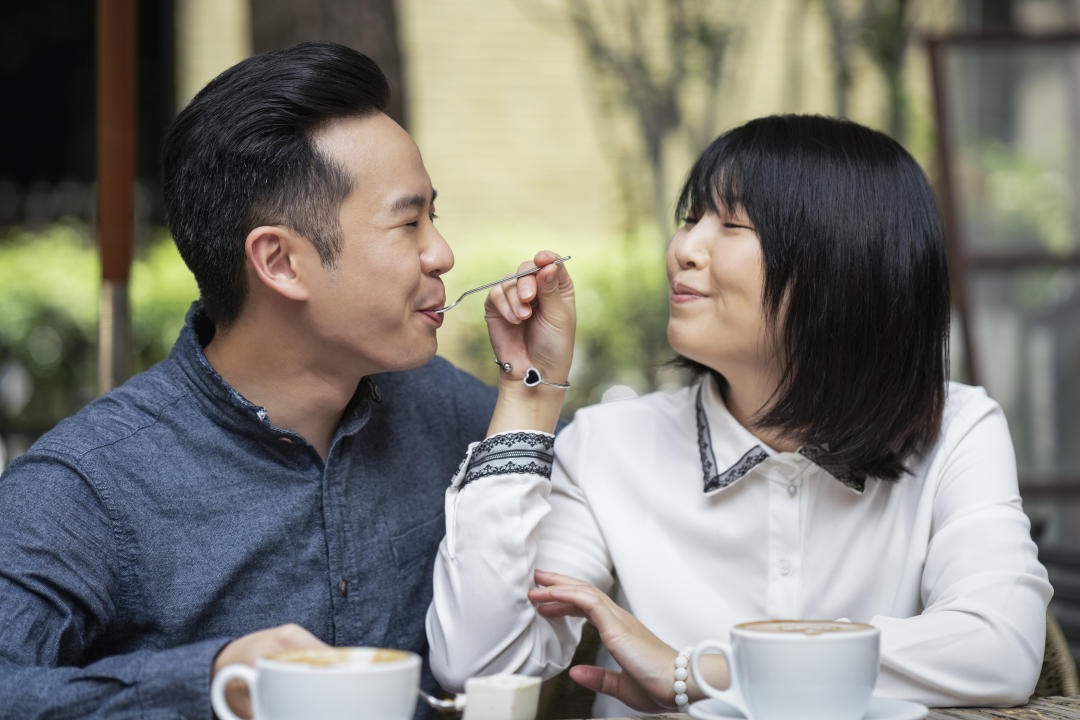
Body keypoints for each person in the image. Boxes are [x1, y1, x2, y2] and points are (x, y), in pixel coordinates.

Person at [0, 41, 573, 720]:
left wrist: (532, 387)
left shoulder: (452, 413)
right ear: (280, 261)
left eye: (434, 219)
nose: (442, 253)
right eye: (408, 222)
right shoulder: (90, 485)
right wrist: (213, 680)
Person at [427, 114, 1053, 717]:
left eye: (729, 225)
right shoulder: (609, 445)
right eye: (690, 218)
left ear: (841, 264)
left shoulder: (956, 430)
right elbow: (485, 667)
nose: (683, 249)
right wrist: (528, 393)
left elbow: (999, 648)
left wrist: (696, 672)